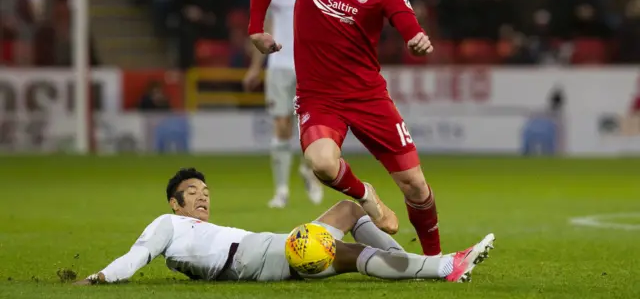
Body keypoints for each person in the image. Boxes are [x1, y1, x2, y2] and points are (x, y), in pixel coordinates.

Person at [247, 0, 441, 256]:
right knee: (321, 162)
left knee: (415, 185)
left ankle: (433, 258)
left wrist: (417, 39)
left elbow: (405, 20)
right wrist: (255, 30)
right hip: (318, 98)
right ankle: (366, 196)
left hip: (368, 97)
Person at [75, 168, 495, 285]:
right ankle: (442, 267)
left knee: (348, 212)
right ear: (174, 203)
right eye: (192, 191)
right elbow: (138, 255)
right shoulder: (166, 224)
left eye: (205, 190)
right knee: (351, 256)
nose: (203, 196)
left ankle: (423, 263)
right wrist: (100, 278)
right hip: (261, 258)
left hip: (271, 246)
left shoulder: (192, 233)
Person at [243, 0, 323, 209]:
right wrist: (256, 66)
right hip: (279, 65)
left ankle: (309, 172)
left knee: (312, 127)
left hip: (310, 66)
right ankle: (281, 191)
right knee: (281, 126)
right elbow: (262, 28)